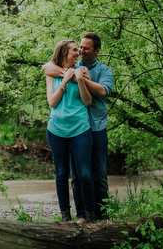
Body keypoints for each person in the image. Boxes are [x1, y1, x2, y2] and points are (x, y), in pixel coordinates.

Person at [42, 33, 114, 223]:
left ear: (96, 51)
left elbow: (102, 92)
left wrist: (79, 79)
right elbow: (46, 67)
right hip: (71, 129)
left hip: (94, 126)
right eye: (79, 48)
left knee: (96, 173)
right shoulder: (72, 68)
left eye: (85, 48)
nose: (81, 51)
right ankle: (81, 214)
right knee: (75, 175)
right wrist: (69, 76)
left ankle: (102, 215)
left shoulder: (102, 71)